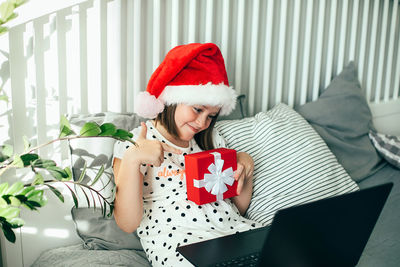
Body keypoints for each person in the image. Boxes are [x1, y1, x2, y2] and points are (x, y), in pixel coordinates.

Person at [112, 43, 262, 267]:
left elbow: (236, 207)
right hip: (180, 245)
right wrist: (133, 159)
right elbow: (127, 222)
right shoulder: (137, 142)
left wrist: (246, 167)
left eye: (211, 116)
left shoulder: (211, 141)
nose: (202, 123)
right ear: (172, 99)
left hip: (234, 233)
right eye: (197, 109)